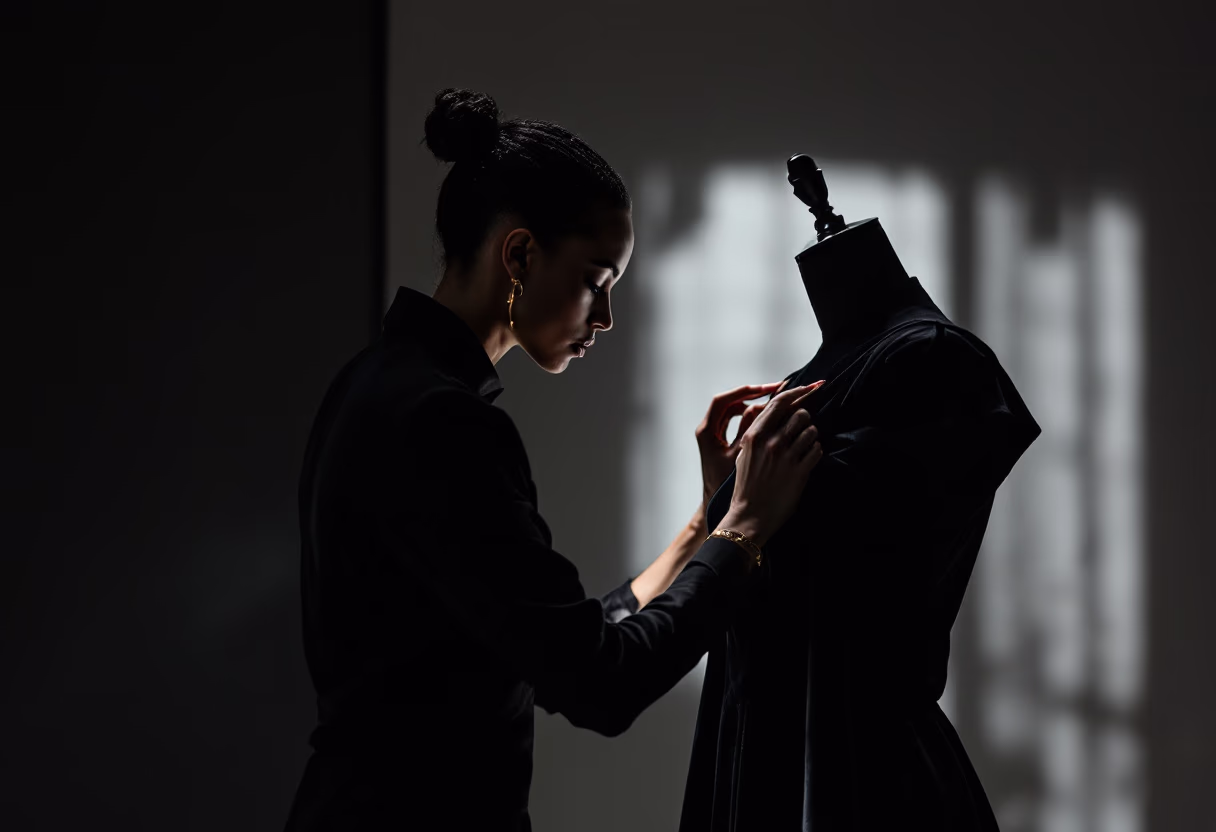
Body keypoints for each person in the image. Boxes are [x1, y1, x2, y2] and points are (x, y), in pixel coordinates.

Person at [282, 88, 826, 831]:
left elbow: (552, 642)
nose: (603, 319)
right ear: (521, 252)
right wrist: (746, 531)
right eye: (596, 282)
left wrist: (706, 524)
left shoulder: (375, 388)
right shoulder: (443, 423)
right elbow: (602, 681)